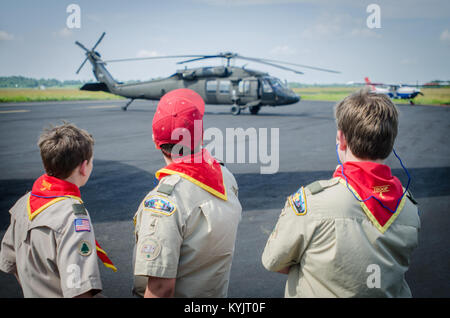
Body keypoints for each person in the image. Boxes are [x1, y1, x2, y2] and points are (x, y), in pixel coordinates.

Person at [261, 88, 420, 297]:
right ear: (390, 143)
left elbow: (273, 261)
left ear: (341, 139)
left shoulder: (313, 202)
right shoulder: (409, 208)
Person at [132, 88, 242, 298]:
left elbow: (160, 289)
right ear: (200, 135)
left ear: (155, 139)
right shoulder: (225, 176)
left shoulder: (164, 202)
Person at [0, 122, 116, 298]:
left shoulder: (24, 203)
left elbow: (12, 262)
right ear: (84, 167)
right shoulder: (73, 217)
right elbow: (80, 290)